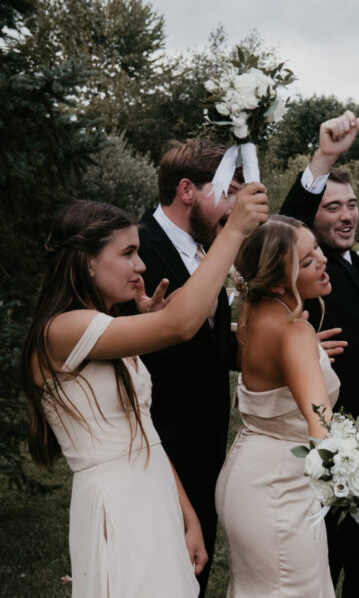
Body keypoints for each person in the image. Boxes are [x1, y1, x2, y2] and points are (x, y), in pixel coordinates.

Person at [20, 185, 267, 598]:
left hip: (153, 491)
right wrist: (233, 232)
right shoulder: (61, 329)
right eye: (127, 253)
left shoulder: (104, 327)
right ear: (87, 261)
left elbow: (144, 432)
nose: (141, 265)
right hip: (116, 502)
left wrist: (188, 518)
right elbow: (181, 324)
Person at [280, 113, 359, 596]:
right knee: (323, 565)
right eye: (332, 208)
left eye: (350, 206)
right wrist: (324, 160)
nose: (346, 216)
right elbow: (283, 224)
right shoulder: (302, 277)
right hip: (325, 444)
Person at [134, 138, 243, 595]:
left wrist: (274, 349)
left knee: (194, 578)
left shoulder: (206, 248)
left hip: (206, 449)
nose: (236, 204)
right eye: (228, 190)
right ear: (186, 190)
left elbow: (210, 344)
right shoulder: (135, 251)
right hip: (154, 452)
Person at [215, 215, 339, 597]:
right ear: (276, 281)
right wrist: (349, 470)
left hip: (248, 473)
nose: (322, 260)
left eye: (317, 248)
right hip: (281, 488)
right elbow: (321, 424)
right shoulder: (293, 331)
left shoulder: (253, 314)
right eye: (306, 260)